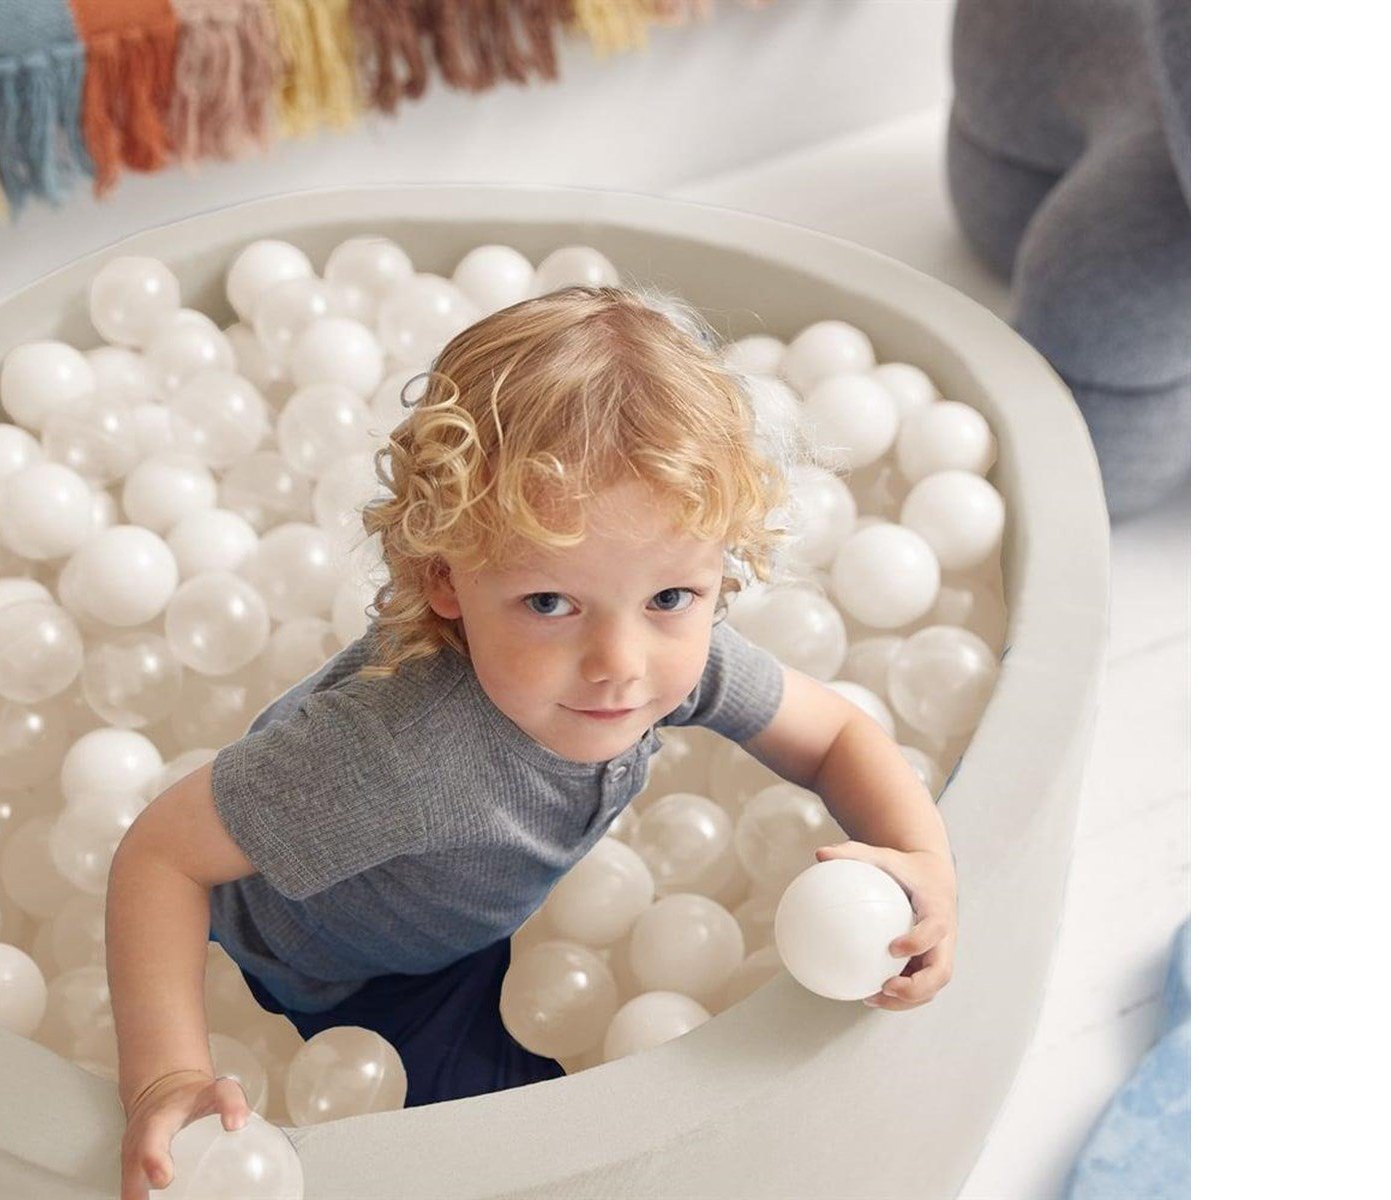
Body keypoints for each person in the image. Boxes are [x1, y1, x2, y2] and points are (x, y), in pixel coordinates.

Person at [107, 286, 959, 1199]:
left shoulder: (672, 650)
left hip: (454, 896)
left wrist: (924, 861)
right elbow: (162, 857)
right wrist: (167, 1077)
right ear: (445, 579)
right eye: (549, 603)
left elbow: (833, 734)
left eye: (673, 597)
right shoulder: (401, 755)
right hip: (356, 977)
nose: (620, 666)